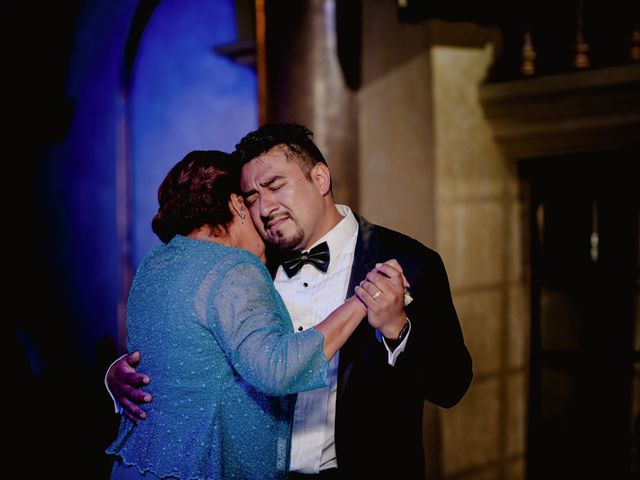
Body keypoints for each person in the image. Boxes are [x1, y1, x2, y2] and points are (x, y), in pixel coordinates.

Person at [108, 124, 473, 479]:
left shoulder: (407, 260)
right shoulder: (247, 267)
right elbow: (195, 347)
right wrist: (119, 376)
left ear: (320, 179)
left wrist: (399, 332)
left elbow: (451, 386)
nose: (265, 207)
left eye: (275, 185)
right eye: (252, 197)